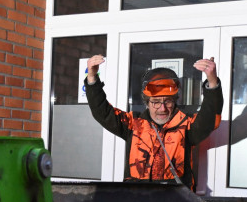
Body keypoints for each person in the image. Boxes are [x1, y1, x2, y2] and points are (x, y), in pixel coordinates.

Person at [84, 55, 223, 189]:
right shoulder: (133, 123)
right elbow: (102, 112)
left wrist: (212, 82)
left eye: (167, 101)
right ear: (147, 102)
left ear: (175, 101)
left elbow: (211, 119)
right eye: (156, 102)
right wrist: (91, 77)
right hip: (137, 201)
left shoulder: (187, 125)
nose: (162, 108)